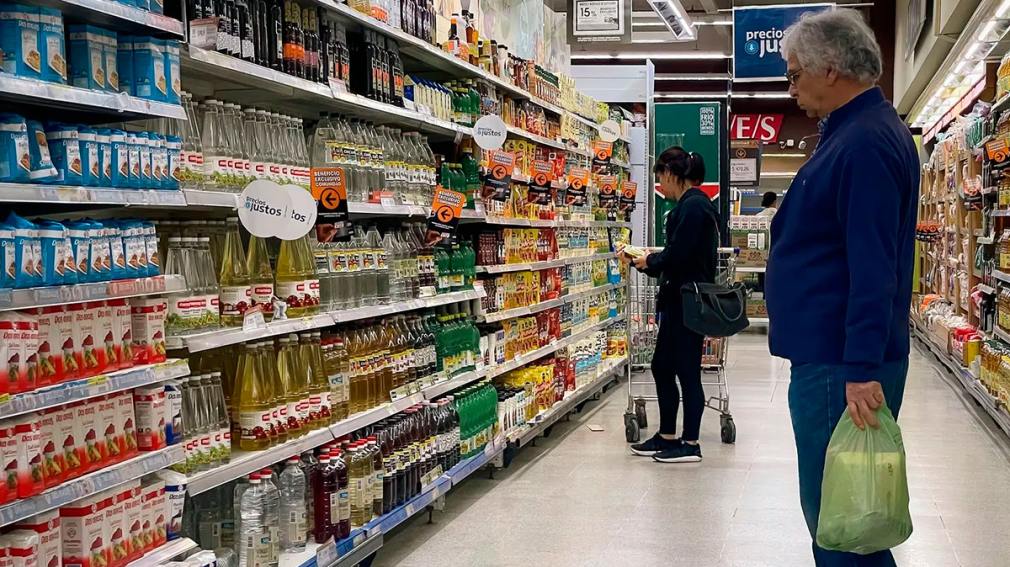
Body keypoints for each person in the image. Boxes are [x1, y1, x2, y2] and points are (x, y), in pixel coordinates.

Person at [767, 9, 919, 566]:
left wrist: (860, 369)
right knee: (848, 517)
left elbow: (872, 266)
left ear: (829, 68)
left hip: (840, 365)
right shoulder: (855, 132)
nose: (791, 88)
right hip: (835, 356)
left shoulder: (864, 144)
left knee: (841, 522)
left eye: (794, 74)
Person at [625, 147, 717, 463]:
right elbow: (679, 255)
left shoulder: (694, 207)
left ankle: (690, 443)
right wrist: (647, 262)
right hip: (678, 298)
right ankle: (667, 436)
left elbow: (680, 254)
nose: (660, 185)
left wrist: (650, 260)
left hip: (688, 302)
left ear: (671, 174)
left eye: (661, 178)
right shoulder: (690, 205)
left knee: (687, 371)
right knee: (663, 366)